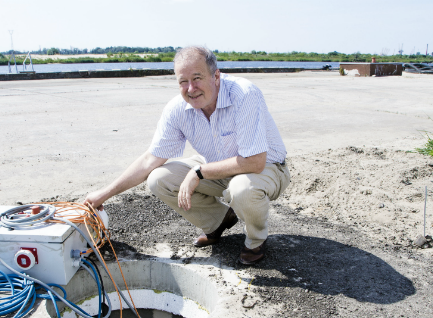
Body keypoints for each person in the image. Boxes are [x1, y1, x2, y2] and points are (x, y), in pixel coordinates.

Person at [84, 46, 290, 265]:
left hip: (267, 167)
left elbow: (255, 161)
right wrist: (104, 194)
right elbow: (149, 160)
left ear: (216, 76)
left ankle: (255, 240)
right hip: (218, 166)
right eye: (183, 81)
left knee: (242, 189)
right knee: (158, 178)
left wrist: (199, 172)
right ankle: (218, 221)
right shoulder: (177, 109)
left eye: (197, 78)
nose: (191, 88)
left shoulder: (244, 94)